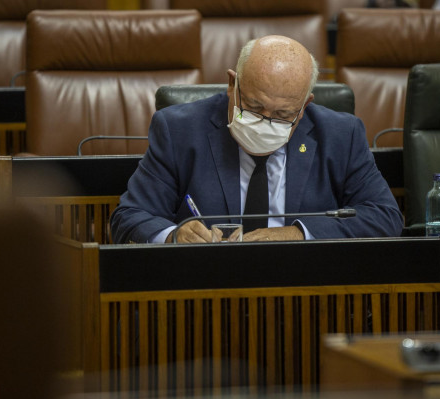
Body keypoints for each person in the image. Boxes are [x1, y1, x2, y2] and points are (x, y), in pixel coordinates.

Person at [110, 35, 404, 244]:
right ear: (231, 85)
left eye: (282, 114)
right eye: (252, 107)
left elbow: (384, 217)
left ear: (305, 106)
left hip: (305, 294)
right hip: (207, 294)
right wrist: (174, 236)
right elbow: (130, 217)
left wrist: (299, 233)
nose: (265, 121)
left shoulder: (341, 135)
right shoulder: (178, 130)